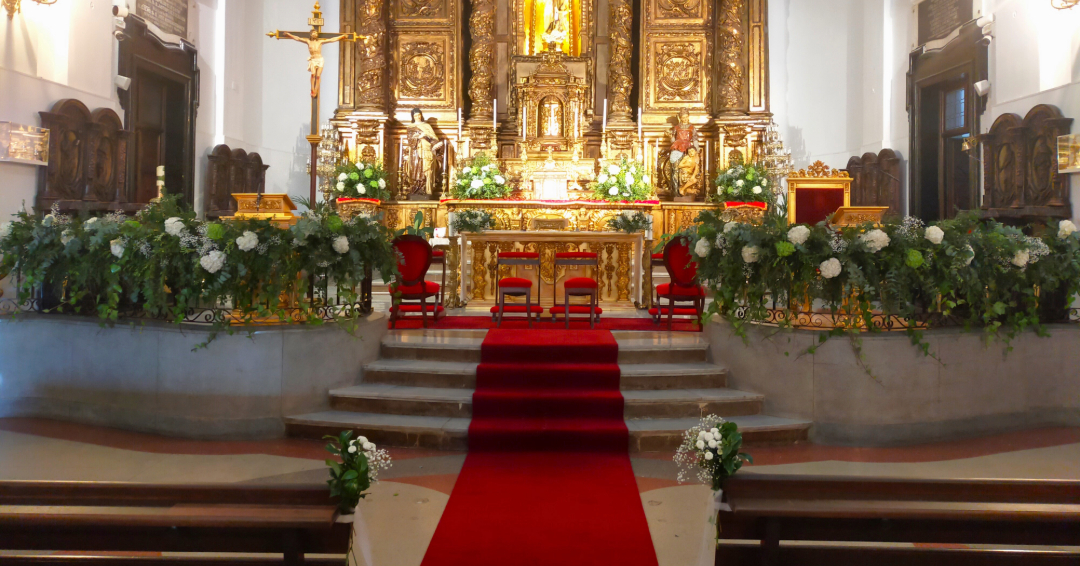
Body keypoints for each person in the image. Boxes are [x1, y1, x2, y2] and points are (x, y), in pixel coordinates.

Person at [406, 108, 445, 198]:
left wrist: (426, 135)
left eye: (419, 115)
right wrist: (417, 137)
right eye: (416, 115)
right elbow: (410, 140)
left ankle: (424, 188)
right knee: (416, 169)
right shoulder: (410, 127)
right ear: (413, 117)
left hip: (426, 149)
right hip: (415, 151)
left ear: (421, 115)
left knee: (426, 169)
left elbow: (434, 138)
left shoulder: (427, 126)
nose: (418, 117)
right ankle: (415, 188)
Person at [668, 109, 697, 195]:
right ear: (680, 118)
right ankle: (675, 190)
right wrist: (670, 137)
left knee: (686, 169)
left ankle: (685, 189)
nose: (685, 119)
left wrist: (697, 151)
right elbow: (673, 140)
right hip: (677, 147)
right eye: (683, 117)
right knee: (675, 168)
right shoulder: (676, 128)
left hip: (688, 148)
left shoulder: (692, 128)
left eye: (686, 117)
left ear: (688, 116)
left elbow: (695, 139)